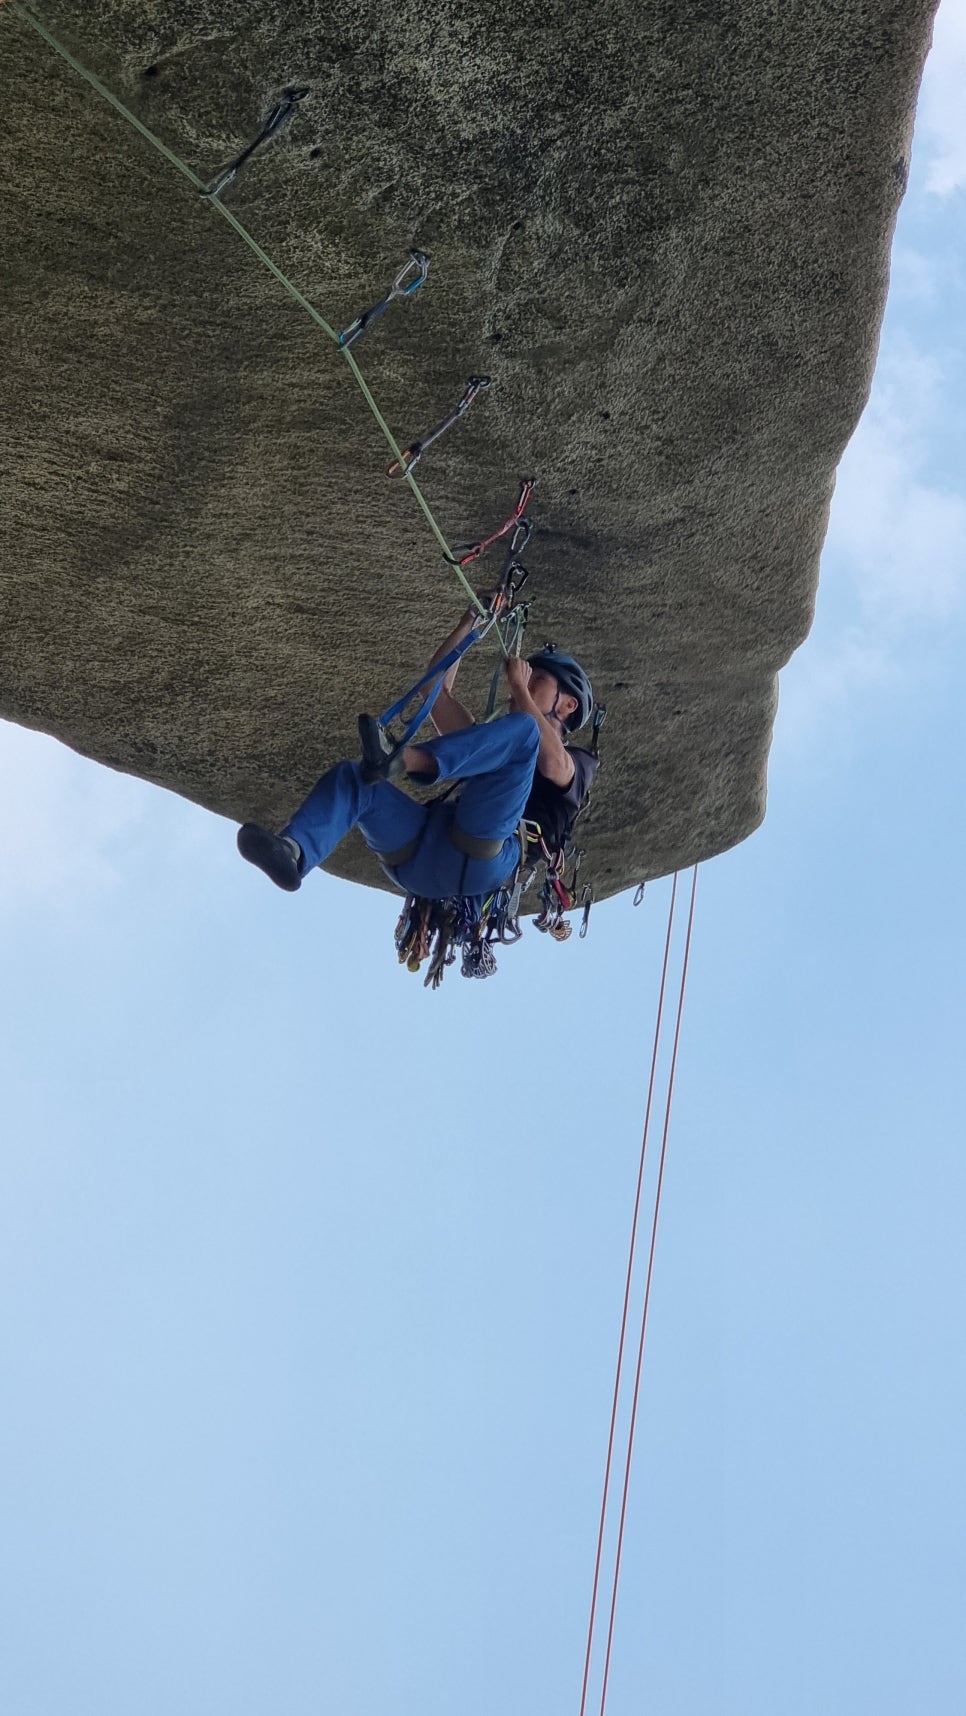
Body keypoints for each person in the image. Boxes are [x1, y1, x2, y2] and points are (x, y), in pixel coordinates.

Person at [236, 605, 596, 910]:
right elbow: (434, 692)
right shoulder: (494, 742)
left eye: (540, 678)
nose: (526, 678)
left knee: (525, 732)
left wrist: (520, 687)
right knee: (355, 780)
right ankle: (294, 853)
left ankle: (404, 760)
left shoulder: (576, 764)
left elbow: (551, 763)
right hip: (424, 852)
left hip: (486, 851)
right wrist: (471, 620)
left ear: (567, 703)